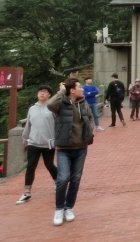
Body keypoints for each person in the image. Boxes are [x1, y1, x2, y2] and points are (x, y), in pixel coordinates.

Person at [47, 78, 94, 225]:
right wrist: (62, 91)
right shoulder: (61, 104)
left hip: (81, 147)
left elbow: (90, 117)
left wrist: (89, 132)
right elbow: (50, 104)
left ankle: (69, 207)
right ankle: (59, 209)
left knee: (75, 179)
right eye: (80, 87)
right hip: (64, 148)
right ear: (72, 90)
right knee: (62, 178)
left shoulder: (83, 103)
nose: (82, 89)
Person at [16, 85, 58, 205]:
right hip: (33, 142)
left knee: (49, 165)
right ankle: (27, 192)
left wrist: (58, 140)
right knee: (31, 166)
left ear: (49, 95)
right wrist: (25, 138)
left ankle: (58, 182)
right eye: (40, 91)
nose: (42, 93)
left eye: (45, 92)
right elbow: (28, 124)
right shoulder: (32, 109)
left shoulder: (52, 108)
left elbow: (58, 124)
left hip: (48, 142)